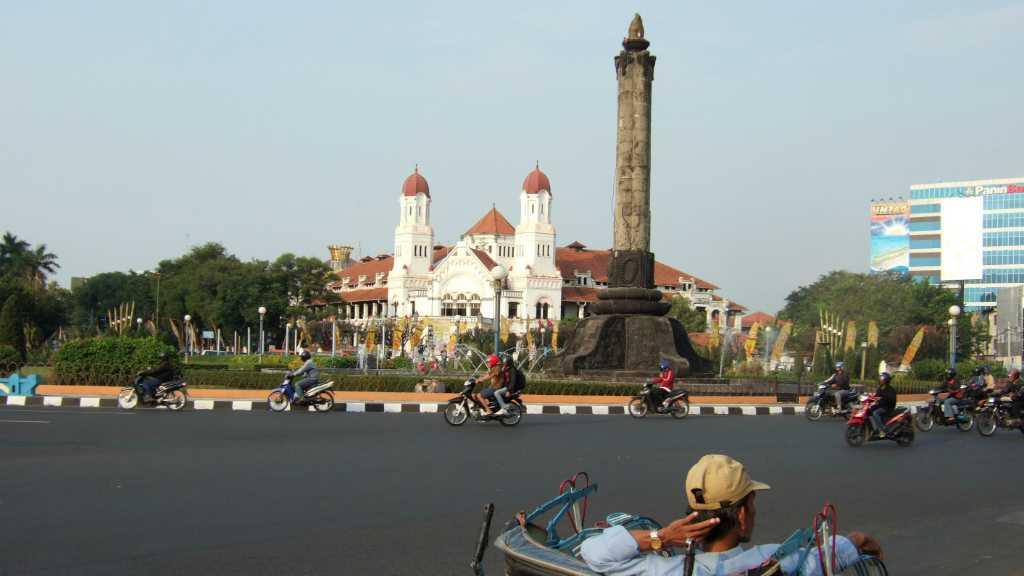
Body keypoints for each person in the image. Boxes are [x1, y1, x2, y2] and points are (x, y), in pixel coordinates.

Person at [581, 454, 882, 575]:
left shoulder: (659, 570)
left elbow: (592, 551)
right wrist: (860, 539)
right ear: (740, 515)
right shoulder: (779, 560)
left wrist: (661, 538)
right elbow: (842, 549)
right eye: (752, 505)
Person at [868, 372, 897, 438]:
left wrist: (882, 398)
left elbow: (891, 399)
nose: (880, 380)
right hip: (881, 406)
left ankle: (882, 430)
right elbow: (876, 396)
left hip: (887, 407)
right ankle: (872, 428)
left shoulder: (890, 389)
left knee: (875, 413)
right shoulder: (880, 388)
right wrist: (870, 397)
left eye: (881, 379)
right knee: (869, 410)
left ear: (885, 380)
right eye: (880, 378)